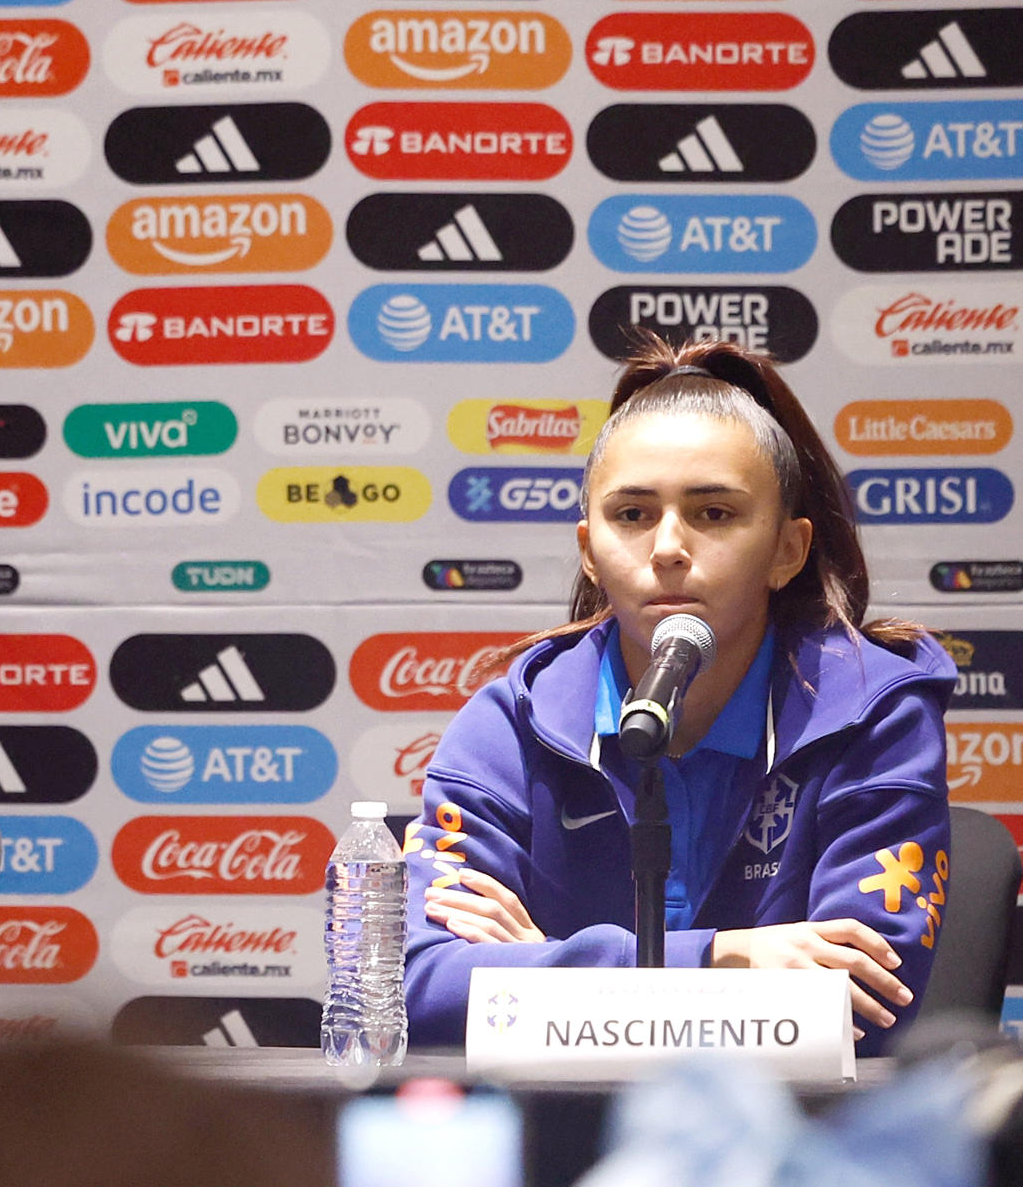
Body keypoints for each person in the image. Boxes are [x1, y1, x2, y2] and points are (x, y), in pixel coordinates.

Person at [405, 334, 954, 1055]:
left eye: (714, 514)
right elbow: (419, 990)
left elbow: (859, 1007)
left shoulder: (873, 710)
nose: (666, 546)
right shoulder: (513, 720)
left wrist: (542, 974)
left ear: (787, 550)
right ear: (588, 549)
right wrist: (724, 957)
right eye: (631, 514)